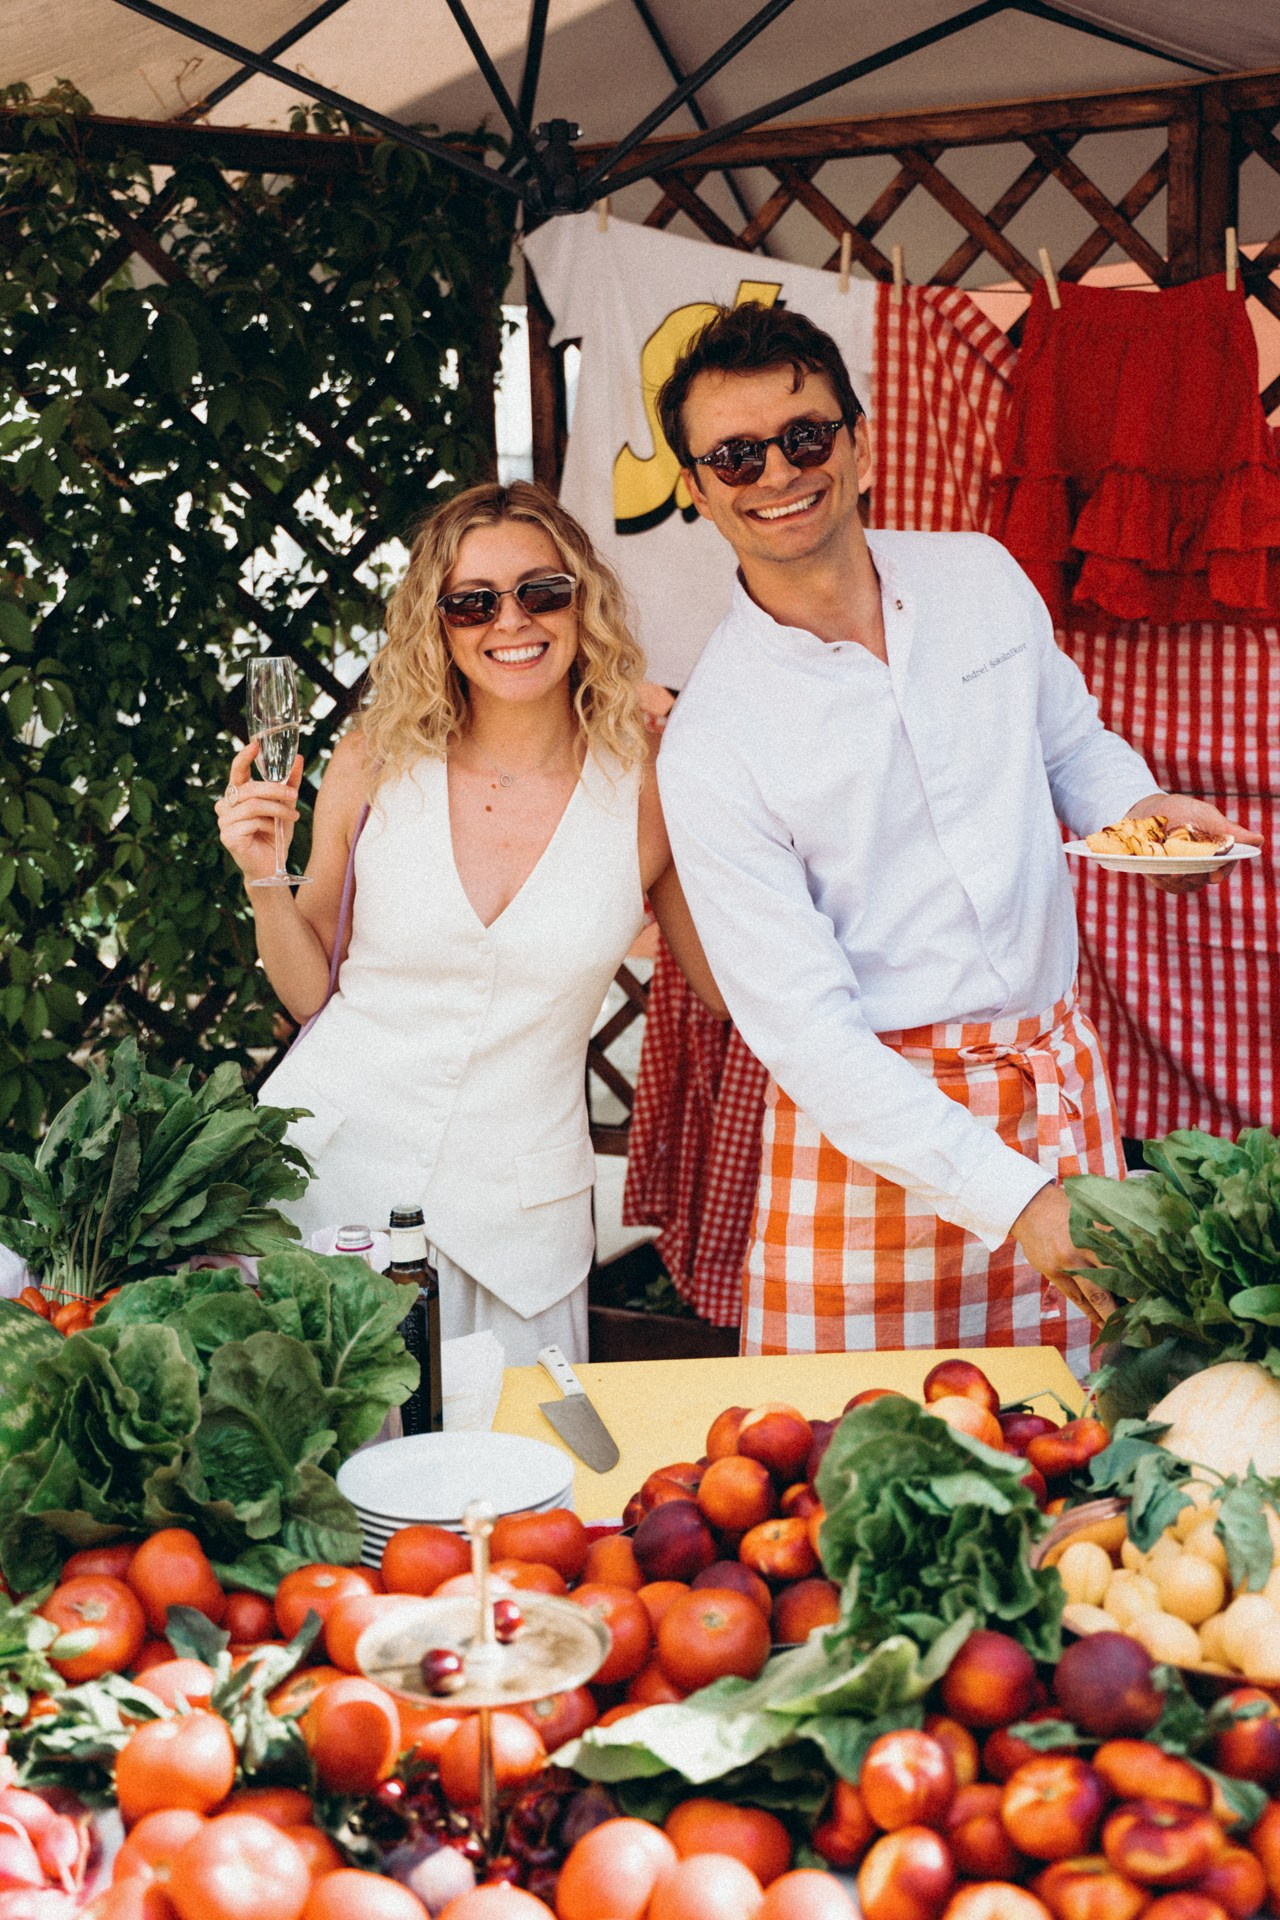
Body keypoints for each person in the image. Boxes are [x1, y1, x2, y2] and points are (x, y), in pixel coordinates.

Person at [652, 302, 1262, 1375]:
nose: (779, 474)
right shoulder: (711, 741)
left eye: (804, 436)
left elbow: (1072, 744)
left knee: (1083, 1463)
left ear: (858, 438)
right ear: (697, 489)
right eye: (736, 456)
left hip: (1050, 1097)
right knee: (841, 1489)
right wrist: (1011, 1200)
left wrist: (1139, 818)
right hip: (866, 1138)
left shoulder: (978, 576)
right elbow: (805, 1038)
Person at [216, 481, 721, 1366]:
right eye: (472, 602)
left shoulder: (652, 777)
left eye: (541, 591)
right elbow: (309, 994)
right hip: (326, 1193)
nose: (511, 622)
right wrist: (265, 874)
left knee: (516, 1487)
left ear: (582, 600)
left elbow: (723, 985)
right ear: (436, 623)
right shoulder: (375, 756)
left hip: (519, 1240)